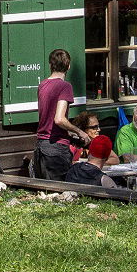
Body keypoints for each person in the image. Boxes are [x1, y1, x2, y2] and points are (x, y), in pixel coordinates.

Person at [32, 48, 84, 180]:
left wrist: (69, 133)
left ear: (50, 65)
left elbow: (48, 118)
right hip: (56, 150)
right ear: (69, 66)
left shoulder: (42, 85)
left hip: (41, 147)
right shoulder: (65, 86)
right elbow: (59, 119)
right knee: (59, 194)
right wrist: (79, 132)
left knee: (45, 194)